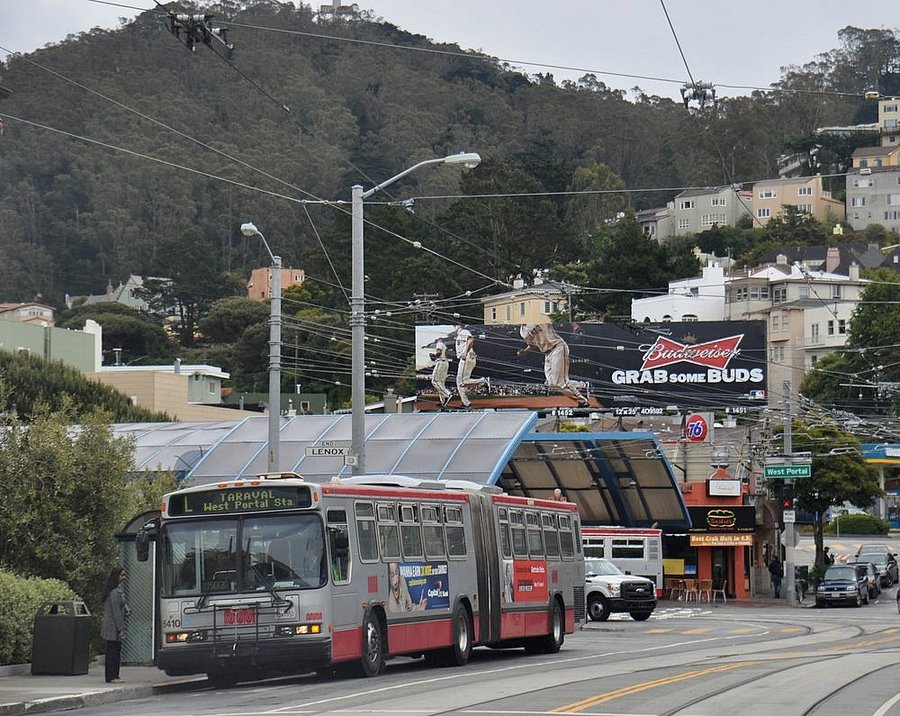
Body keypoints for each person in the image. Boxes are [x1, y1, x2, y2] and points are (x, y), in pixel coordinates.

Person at [517, 323, 589, 407]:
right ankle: (583, 385)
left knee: (560, 382)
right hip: (547, 354)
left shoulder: (539, 318)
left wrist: (575, 326)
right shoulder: (522, 331)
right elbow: (532, 345)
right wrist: (524, 351)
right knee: (551, 384)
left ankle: (582, 400)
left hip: (557, 347)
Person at [101, 566, 131, 683]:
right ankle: (111, 676)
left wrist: (127, 609)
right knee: (112, 652)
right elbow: (116, 612)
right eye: (122, 575)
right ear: (116, 576)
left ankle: (115, 675)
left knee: (116, 651)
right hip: (112, 626)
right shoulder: (113, 592)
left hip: (115, 625)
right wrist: (121, 628)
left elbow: (123, 603)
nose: (124, 577)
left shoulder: (118, 589)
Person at [453, 324, 489, 408]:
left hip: (466, 357)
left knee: (461, 382)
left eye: (455, 326)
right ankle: (466, 403)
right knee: (460, 382)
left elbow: (471, 340)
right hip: (469, 357)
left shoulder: (463, 332)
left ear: (458, 326)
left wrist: (465, 352)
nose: (454, 327)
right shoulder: (460, 335)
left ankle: (482, 381)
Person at [427, 337, 453, 408]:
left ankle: (448, 395)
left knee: (434, 381)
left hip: (440, 363)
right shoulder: (445, 346)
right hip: (445, 363)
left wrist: (434, 356)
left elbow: (439, 352)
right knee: (441, 384)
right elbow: (448, 355)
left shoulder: (439, 343)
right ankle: (443, 402)